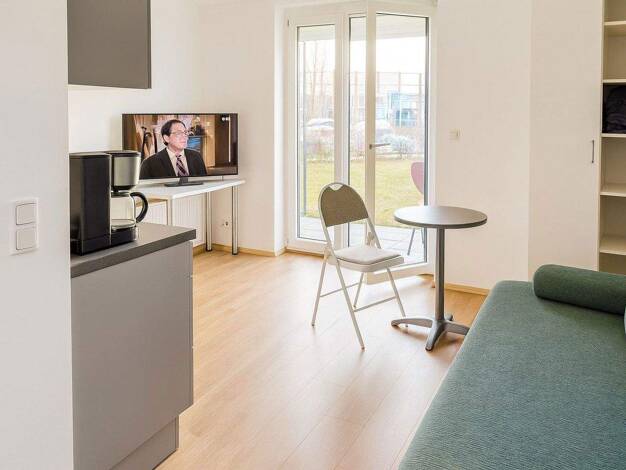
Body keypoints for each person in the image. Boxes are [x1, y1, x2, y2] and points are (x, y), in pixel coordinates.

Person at [139, 119, 208, 178]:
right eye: (179, 133)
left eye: (185, 132)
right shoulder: (149, 163)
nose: (184, 136)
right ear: (166, 138)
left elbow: (204, 183)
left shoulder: (196, 156)